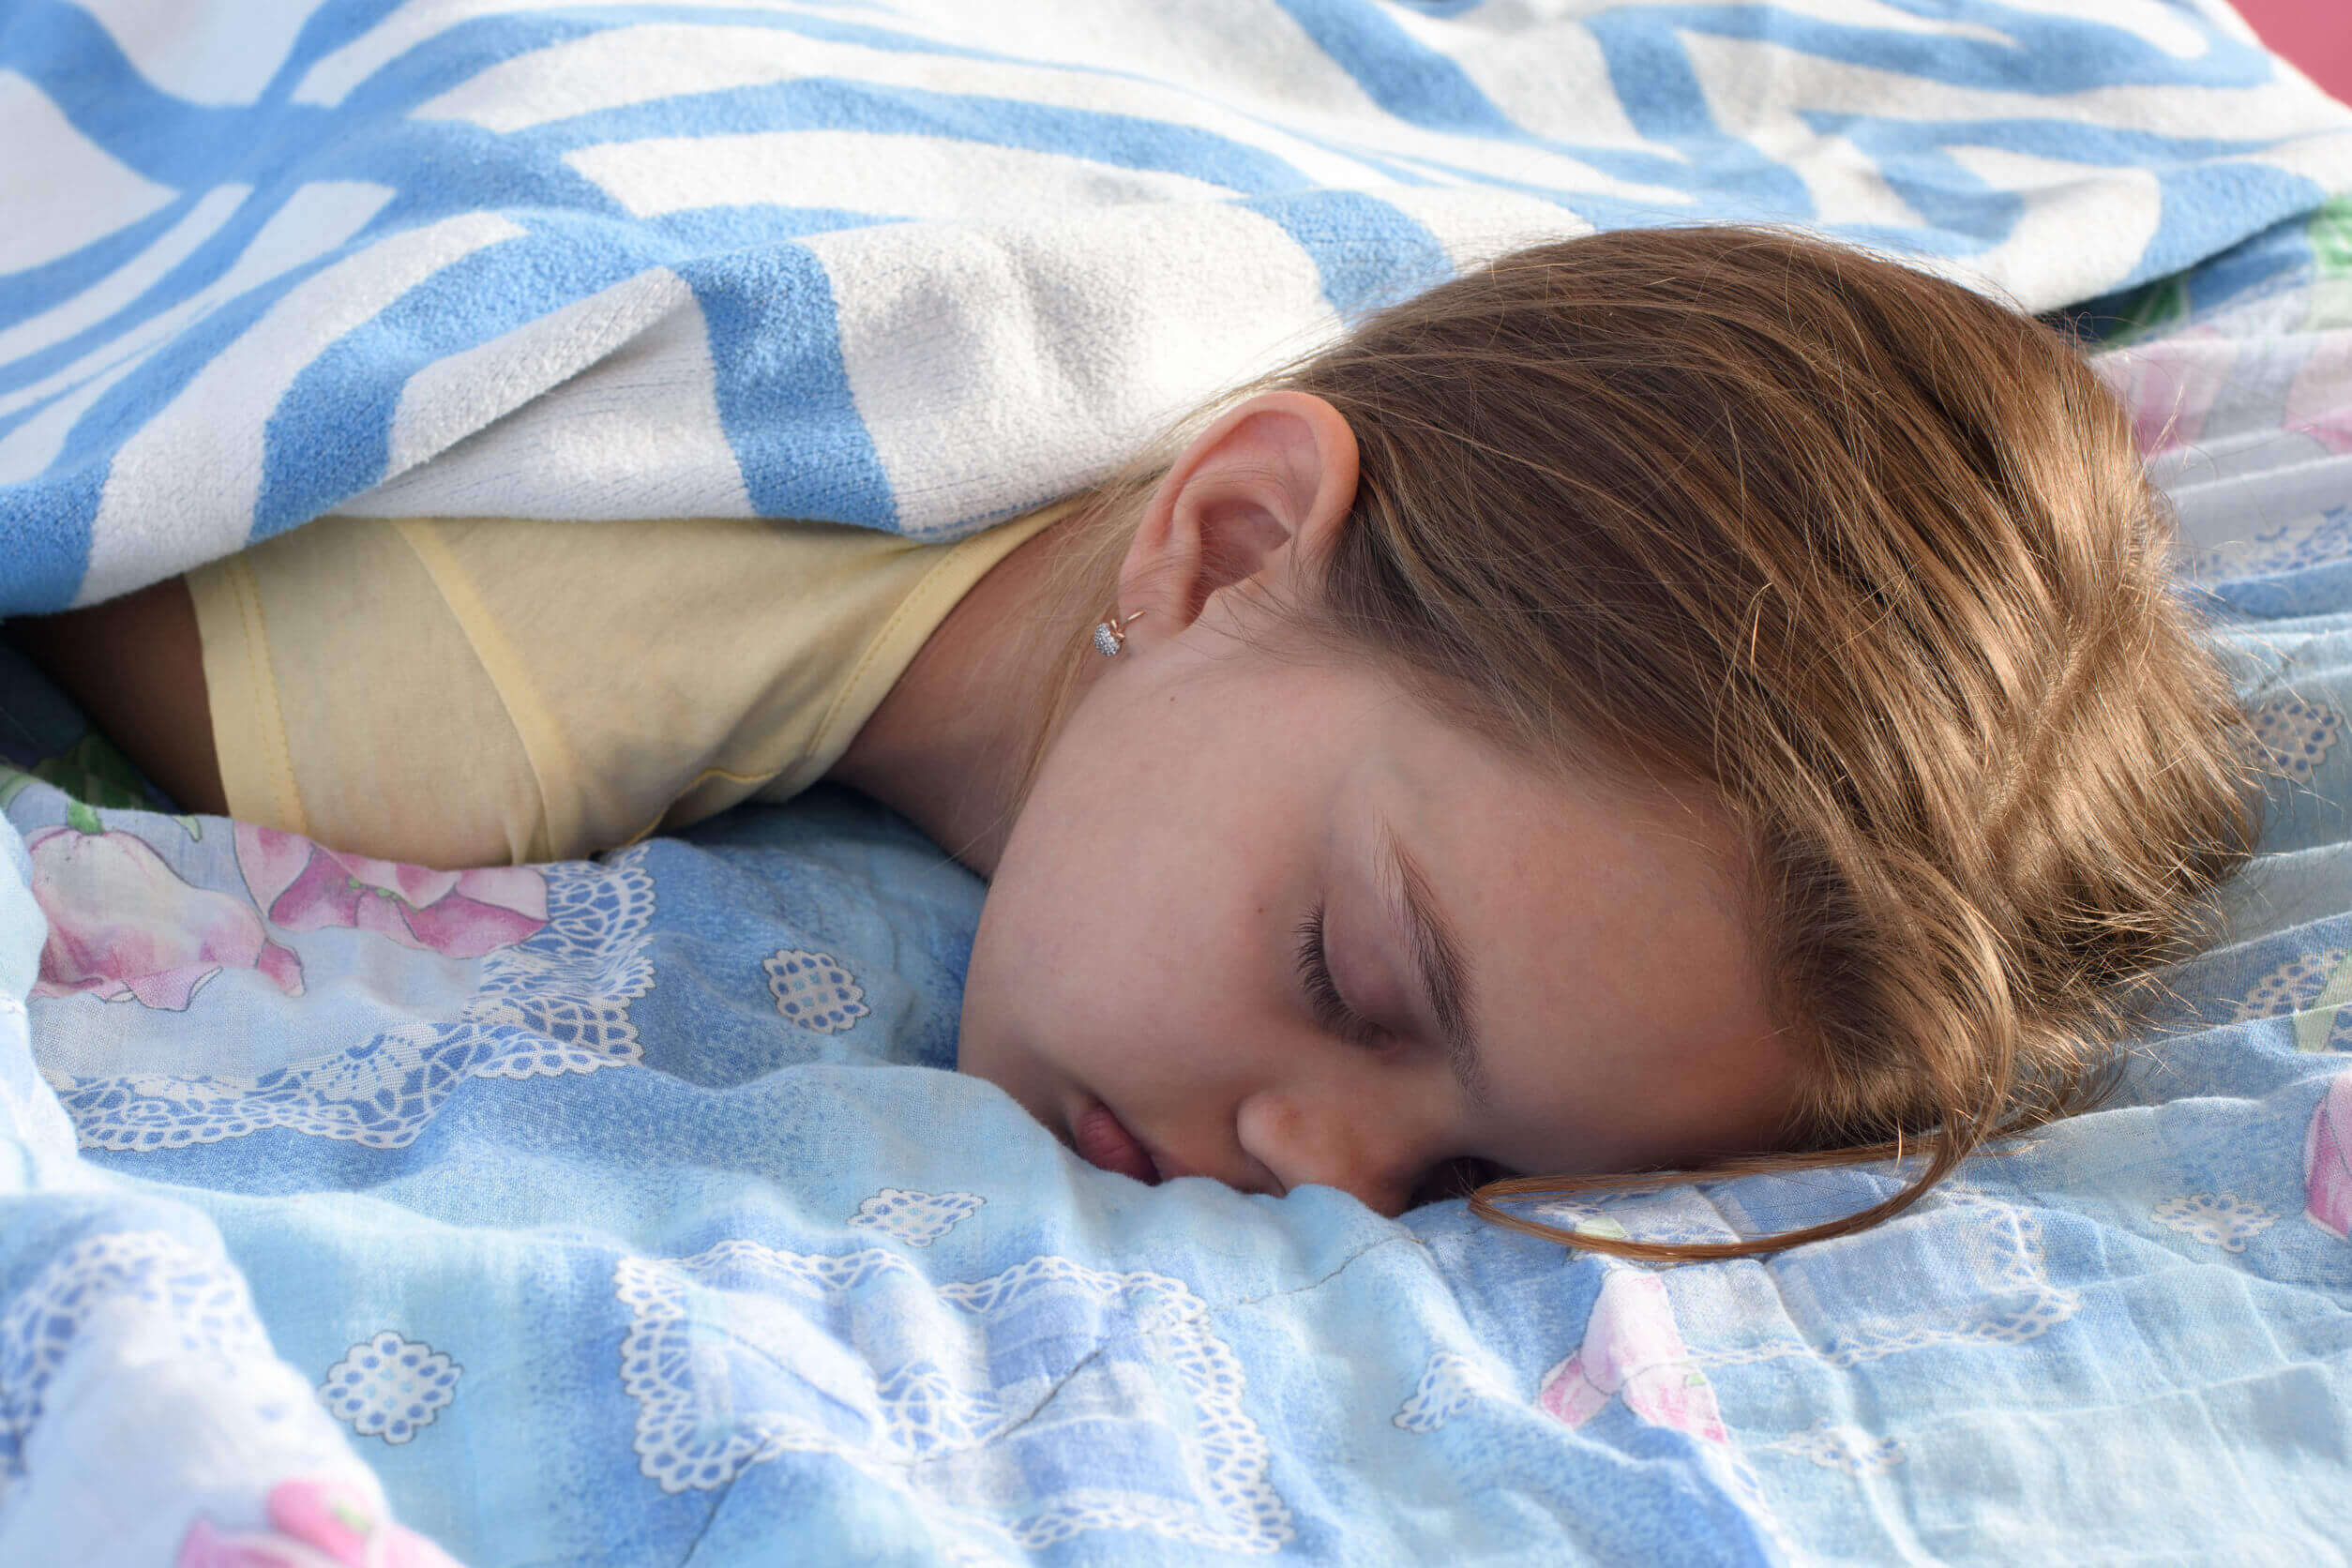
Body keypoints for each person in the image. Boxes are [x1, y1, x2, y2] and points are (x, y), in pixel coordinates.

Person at [6, 225, 2265, 1260]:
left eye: (1459, 1179)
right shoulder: (443, 690)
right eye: (1360, 980)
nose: (1309, 1152)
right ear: (1226, 536)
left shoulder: (1380, 566)